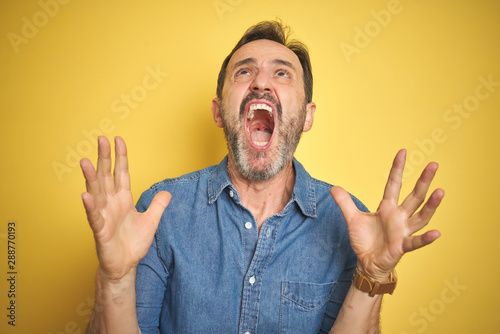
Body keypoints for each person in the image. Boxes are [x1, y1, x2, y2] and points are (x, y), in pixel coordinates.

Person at [80, 21, 444, 333]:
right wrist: (115, 280)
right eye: (244, 72)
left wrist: (373, 276)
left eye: (281, 72)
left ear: (306, 117)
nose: (261, 84)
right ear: (219, 112)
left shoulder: (351, 225)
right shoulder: (161, 212)